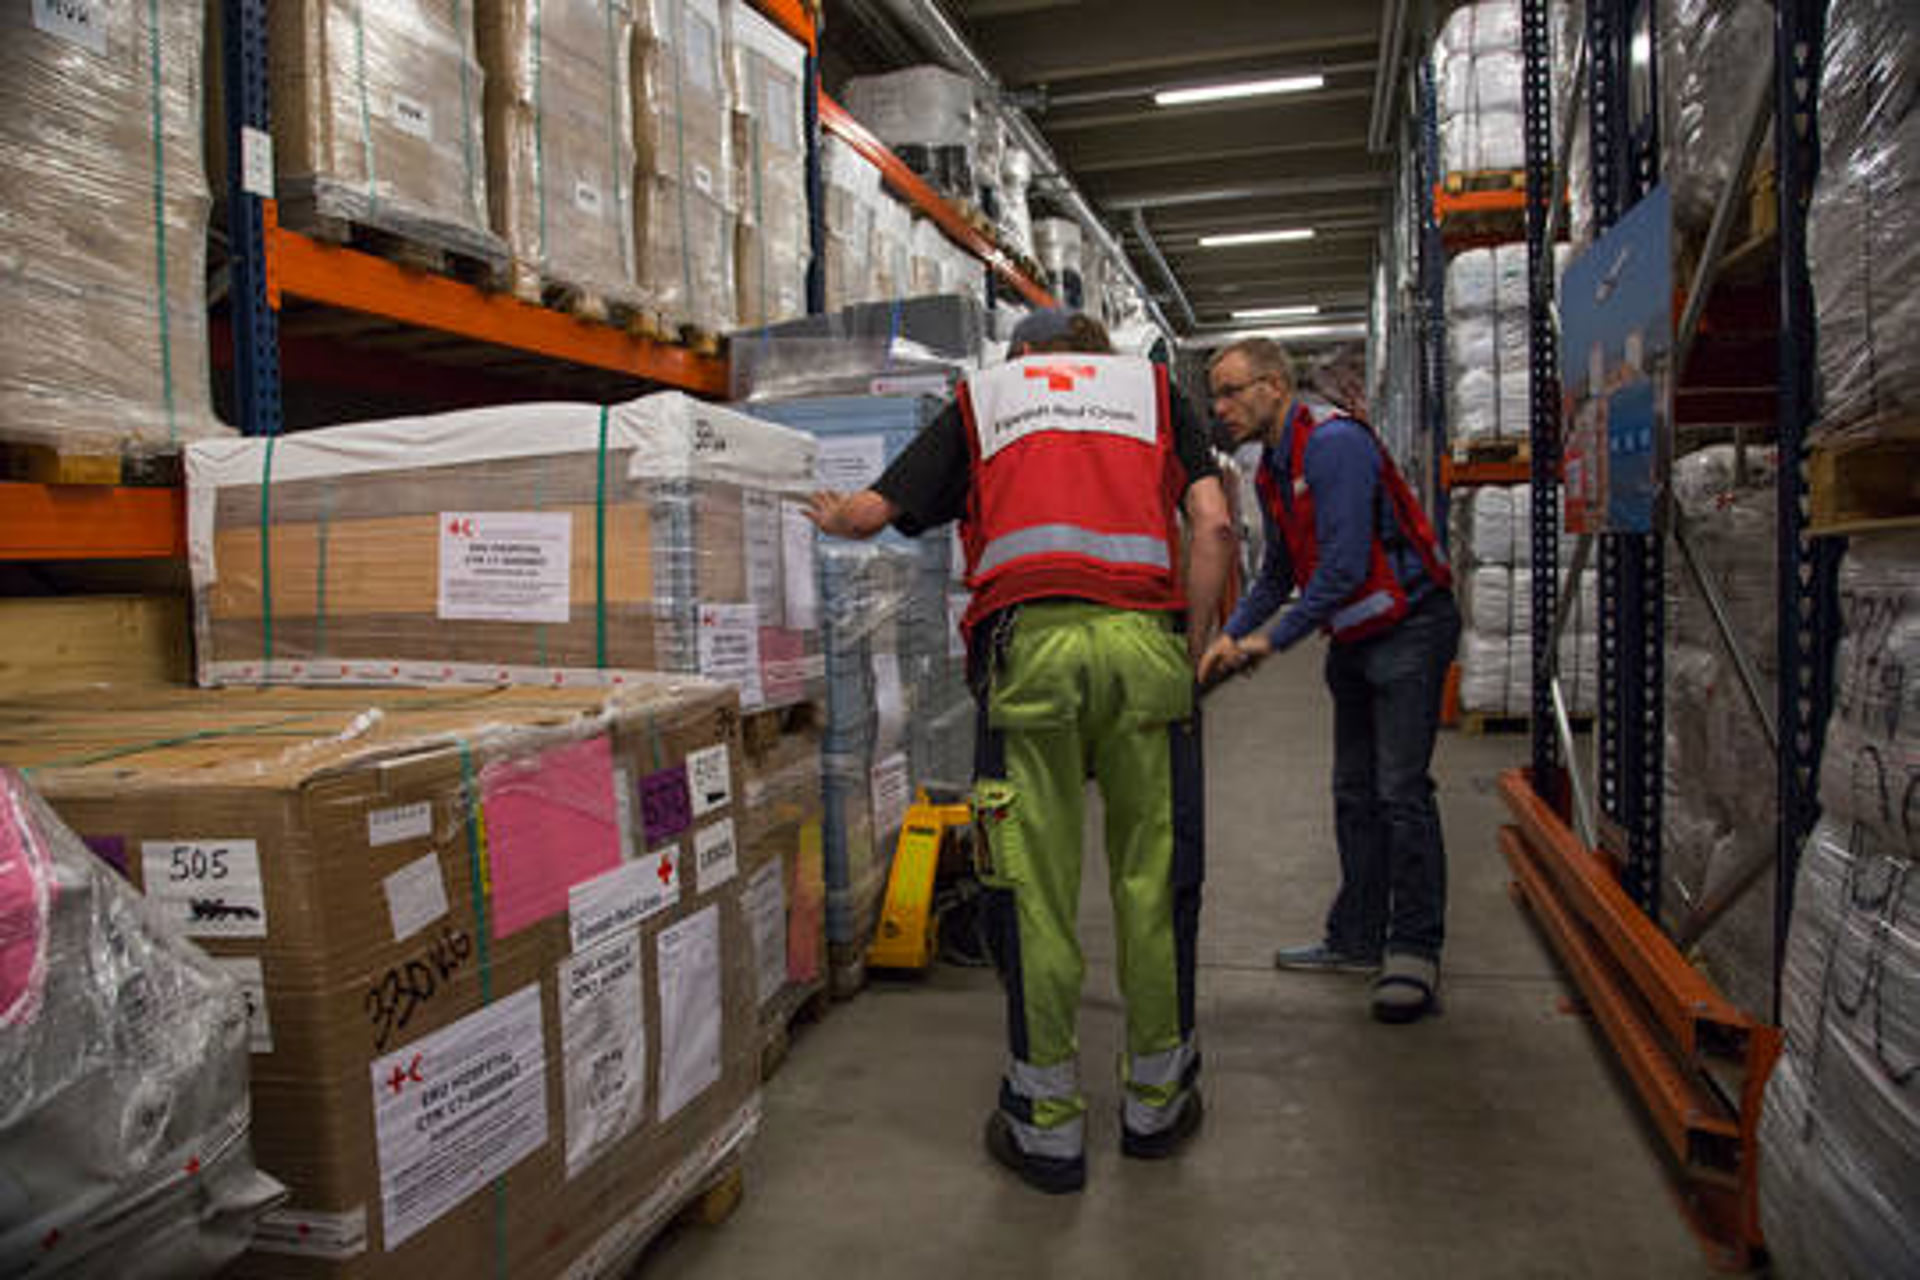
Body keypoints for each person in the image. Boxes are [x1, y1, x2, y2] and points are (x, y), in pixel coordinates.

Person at [807, 310, 1234, 1194]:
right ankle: (1157, 1104)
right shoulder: (1155, 393)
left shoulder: (986, 399)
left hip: (1024, 660)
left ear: (1027, 357)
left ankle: (1046, 1125)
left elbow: (869, 514)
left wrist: (832, 512)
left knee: (1030, 889)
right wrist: (1189, 653)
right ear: (1096, 353)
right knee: (1151, 877)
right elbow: (1215, 526)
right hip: (1143, 652)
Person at [1196, 337, 1460, 1025]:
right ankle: (1357, 937)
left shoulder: (1333, 446)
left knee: (1401, 790)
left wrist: (1269, 639)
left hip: (1409, 625)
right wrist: (1227, 635)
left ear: (1275, 385)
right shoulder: (1272, 469)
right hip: (1357, 632)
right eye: (1215, 394)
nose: (1220, 407)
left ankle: (1414, 947)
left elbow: (1341, 567)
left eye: (1231, 390)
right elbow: (1279, 572)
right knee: (1353, 792)